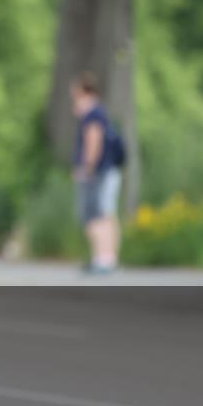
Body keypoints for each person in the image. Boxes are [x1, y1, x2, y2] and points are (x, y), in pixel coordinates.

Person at [71, 71, 124, 274]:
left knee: (95, 215)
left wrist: (87, 168)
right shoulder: (100, 112)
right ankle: (107, 258)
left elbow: (93, 141)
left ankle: (103, 259)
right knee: (107, 213)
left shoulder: (93, 115)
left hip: (98, 172)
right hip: (108, 170)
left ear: (84, 92)